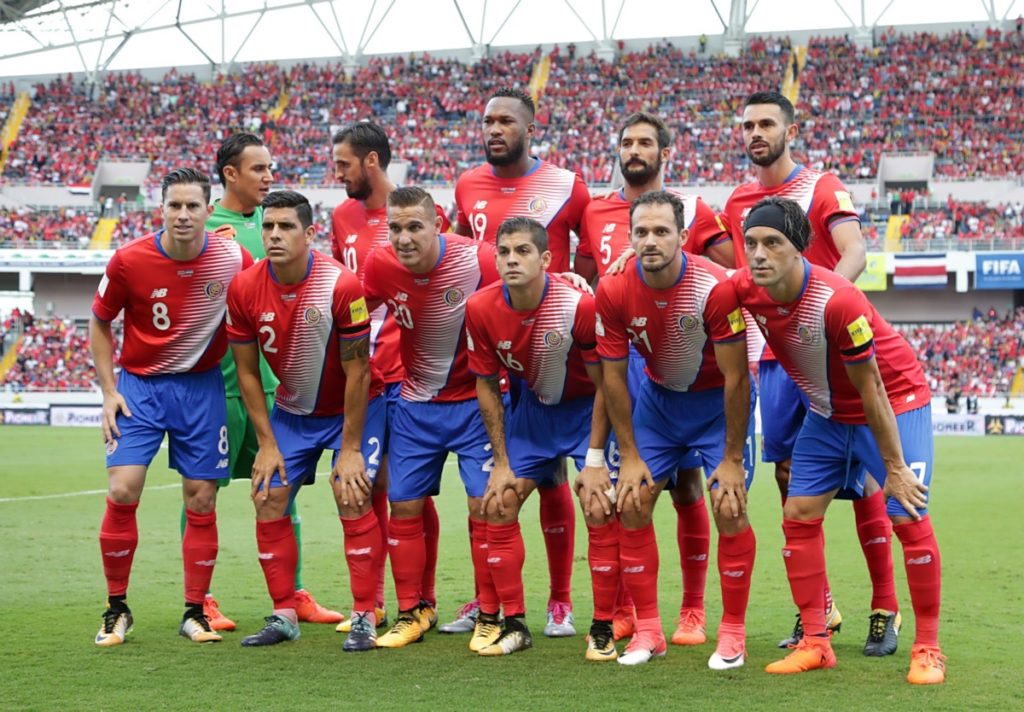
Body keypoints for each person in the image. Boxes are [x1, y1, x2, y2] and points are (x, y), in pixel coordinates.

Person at [734, 196, 945, 685]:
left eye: (772, 243)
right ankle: (816, 642)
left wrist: (892, 467)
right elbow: (692, 280)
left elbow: (872, 387)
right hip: (829, 413)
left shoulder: (838, 299)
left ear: (800, 249)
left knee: (907, 513)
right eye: (751, 244)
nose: (759, 254)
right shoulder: (744, 288)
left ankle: (929, 648)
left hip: (895, 402)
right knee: (799, 515)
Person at [722, 91, 898, 656]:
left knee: (867, 478)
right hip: (774, 361)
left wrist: (819, 313)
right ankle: (818, 609)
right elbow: (735, 276)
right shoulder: (738, 200)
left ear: (790, 130)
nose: (756, 132)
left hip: (830, 350)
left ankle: (885, 606)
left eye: (767, 123)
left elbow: (855, 252)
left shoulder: (821, 186)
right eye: (747, 124)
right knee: (789, 482)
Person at [576, 111, 734, 646]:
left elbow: (731, 273)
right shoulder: (594, 209)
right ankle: (628, 611)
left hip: (685, 357)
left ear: (665, 152)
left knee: (690, 487)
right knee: (629, 490)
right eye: (627, 141)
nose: (635, 149)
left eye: (646, 142)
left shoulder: (695, 206)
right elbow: (585, 276)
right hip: (625, 357)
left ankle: (692, 609)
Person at [591, 190, 755, 668]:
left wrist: (731, 458)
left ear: (684, 237)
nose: (650, 240)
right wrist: (629, 456)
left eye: (662, 231)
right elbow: (614, 379)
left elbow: (736, 379)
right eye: (640, 232)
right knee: (633, 501)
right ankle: (648, 632)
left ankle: (732, 633)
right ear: (629, 237)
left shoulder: (714, 287)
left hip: (715, 408)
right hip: (659, 406)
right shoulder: (614, 288)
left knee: (728, 504)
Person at [90, 167, 252, 646]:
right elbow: (99, 323)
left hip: (202, 389)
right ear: (162, 208)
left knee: (201, 497)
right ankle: (116, 608)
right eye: (174, 206)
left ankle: (195, 610)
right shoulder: (128, 260)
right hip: (140, 387)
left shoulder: (232, 257)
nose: (183, 215)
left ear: (208, 209)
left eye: (193, 206)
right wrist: (107, 390)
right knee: (123, 490)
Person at [451, 87, 591, 636]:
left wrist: (581, 289)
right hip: (492, 337)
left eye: (506, 121)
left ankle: (561, 600)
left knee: (557, 479)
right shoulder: (467, 185)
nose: (494, 129)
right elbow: (463, 252)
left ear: (531, 128)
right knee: (489, 483)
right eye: (487, 120)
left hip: (554, 340)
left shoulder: (565, 185)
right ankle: (487, 599)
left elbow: (591, 250)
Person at [193, 132, 342, 631]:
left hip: (273, 388)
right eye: (259, 169)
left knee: (281, 494)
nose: (269, 177)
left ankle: (292, 593)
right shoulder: (203, 224)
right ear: (231, 174)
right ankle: (203, 600)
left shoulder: (275, 221)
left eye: (271, 168)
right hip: (216, 388)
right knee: (203, 492)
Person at [226, 190, 387, 651]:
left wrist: (351, 448)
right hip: (293, 414)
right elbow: (247, 372)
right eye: (268, 226)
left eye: (286, 227)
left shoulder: (341, 285)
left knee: (352, 494)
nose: (275, 235)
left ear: (309, 234)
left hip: (352, 411)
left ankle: (363, 615)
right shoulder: (243, 288)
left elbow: (359, 371)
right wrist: (268, 443)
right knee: (267, 496)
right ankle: (283, 613)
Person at [361, 186, 502, 650]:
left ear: (438, 224)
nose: (403, 238)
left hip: (474, 404)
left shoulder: (477, 260)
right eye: (395, 228)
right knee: (404, 506)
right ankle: (413, 611)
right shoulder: (380, 265)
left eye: (414, 227)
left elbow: (522, 294)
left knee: (485, 508)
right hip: (415, 405)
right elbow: (354, 315)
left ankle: (489, 611)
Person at [465, 216, 610, 656]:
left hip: (586, 413)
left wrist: (596, 458)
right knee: (499, 501)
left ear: (545, 258)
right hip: (532, 415)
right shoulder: (480, 308)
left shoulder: (578, 306)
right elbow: (487, 386)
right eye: (504, 252)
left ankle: (603, 622)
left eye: (523, 251)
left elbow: (607, 384)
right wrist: (502, 461)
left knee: (601, 506)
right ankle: (514, 622)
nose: (512, 260)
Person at [330, 122, 451, 634]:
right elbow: (345, 296)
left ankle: (422, 598)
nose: (337, 175)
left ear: (371, 162)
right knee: (372, 483)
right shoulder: (340, 217)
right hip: (369, 370)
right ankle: (375, 601)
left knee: (409, 489)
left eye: (343, 165)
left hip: (415, 372)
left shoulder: (421, 212)